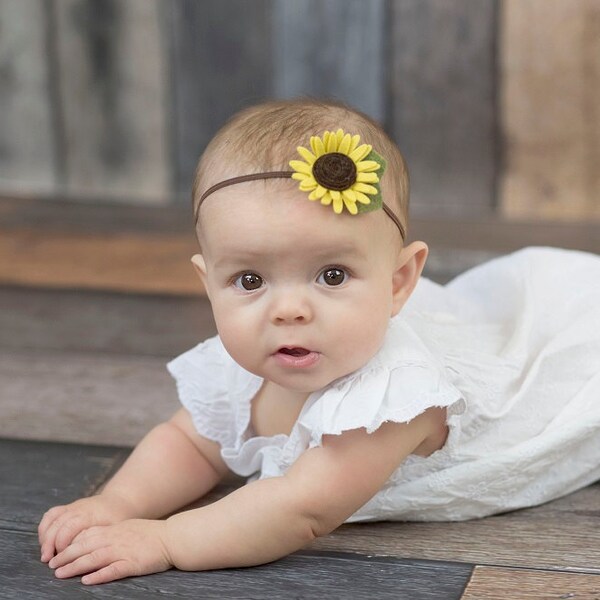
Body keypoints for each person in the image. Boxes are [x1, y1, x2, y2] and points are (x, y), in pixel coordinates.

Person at [38, 99, 600, 585]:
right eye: (250, 281)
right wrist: (118, 503)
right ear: (207, 285)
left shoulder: (393, 400)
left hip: (560, 374)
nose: (288, 310)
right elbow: (188, 442)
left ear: (400, 281)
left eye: (331, 275)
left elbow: (297, 509)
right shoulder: (244, 364)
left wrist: (164, 541)